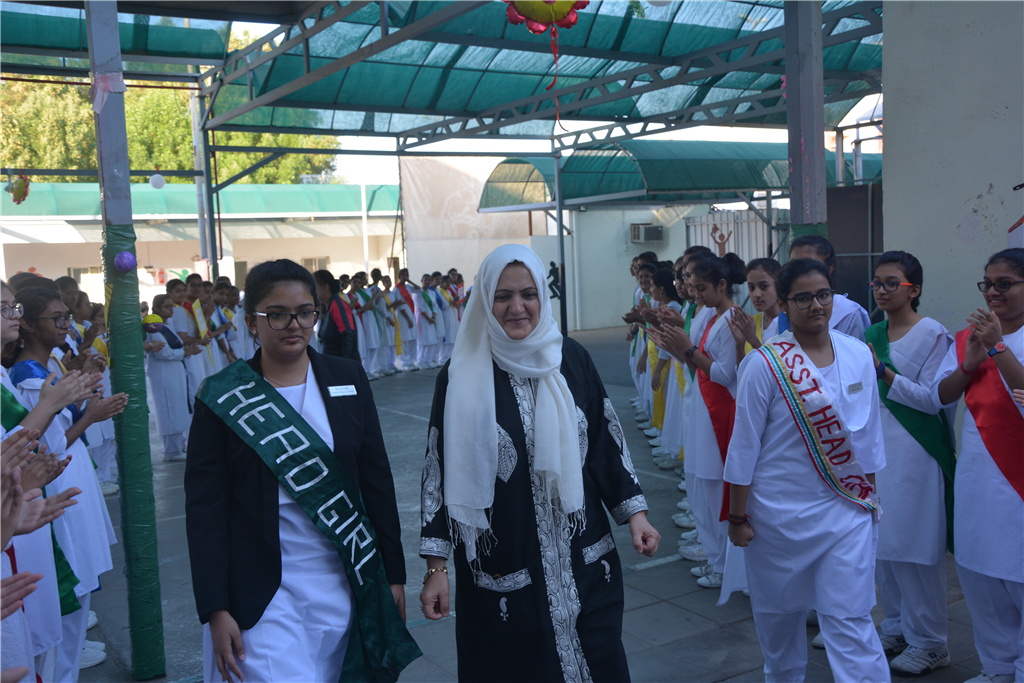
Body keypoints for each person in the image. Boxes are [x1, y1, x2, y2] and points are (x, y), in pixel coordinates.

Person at [418, 244, 660, 683]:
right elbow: (439, 471)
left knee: (598, 658)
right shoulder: (459, 375)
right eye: (503, 296)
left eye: (528, 294)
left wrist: (636, 515)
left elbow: (605, 441)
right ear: (484, 300)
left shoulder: (571, 358)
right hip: (505, 566)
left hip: (582, 555)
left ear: (542, 297)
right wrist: (436, 568)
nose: (517, 308)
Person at [185, 259, 420, 683]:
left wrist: (393, 575)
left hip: (347, 582)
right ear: (252, 322)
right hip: (264, 597)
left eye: (305, 312)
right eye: (277, 314)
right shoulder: (223, 397)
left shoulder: (347, 377)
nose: (294, 325)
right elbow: (206, 512)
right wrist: (215, 608)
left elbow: (376, 483)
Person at [724, 258, 889, 683]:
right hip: (778, 518)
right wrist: (738, 518)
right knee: (779, 625)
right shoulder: (764, 364)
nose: (816, 305)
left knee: (851, 620)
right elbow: (744, 448)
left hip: (846, 513)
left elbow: (869, 438)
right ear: (783, 303)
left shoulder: (857, 354)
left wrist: (870, 503)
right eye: (803, 298)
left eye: (823, 295)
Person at [6, 287, 126, 681]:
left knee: (77, 577)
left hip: (60, 479)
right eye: (56, 318)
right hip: (45, 485)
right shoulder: (26, 375)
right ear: (30, 325)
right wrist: (88, 415)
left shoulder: (34, 367)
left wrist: (83, 388)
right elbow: (44, 442)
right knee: (59, 591)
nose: (65, 325)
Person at [861, 251, 956, 676]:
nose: (881, 290)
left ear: (913, 289)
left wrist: (883, 372)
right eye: (877, 283)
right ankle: (897, 627)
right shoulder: (872, 332)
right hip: (878, 450)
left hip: (916, 450)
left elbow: (933, 399)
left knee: (916, 548)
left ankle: (931, 642)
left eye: (891, 283)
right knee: (885, 546)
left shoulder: (933, 334)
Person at [934, 248, 1023, 683]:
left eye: (1004, 284)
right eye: (987, 284)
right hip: (977, 476)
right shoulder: (967, 338)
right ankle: (997, 668)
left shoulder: (995, 338)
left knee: (1018, 575)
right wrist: (970, 363)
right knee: (980, 574)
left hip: (1017, 481)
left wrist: (998, 347)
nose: (992, 292)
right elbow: (941, 396)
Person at [145, 296, 200, 463]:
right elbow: (163, 353)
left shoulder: (167, 326)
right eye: (167, 306)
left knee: (178, 408)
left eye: (172, 306)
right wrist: (185, 352)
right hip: (164, 373)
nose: (171, 309)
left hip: (176, 372)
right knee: (169, 409)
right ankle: (170, 450)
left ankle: (179, 445)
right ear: (156, 308)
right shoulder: (154, 328)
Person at [788, 235, 871, 340]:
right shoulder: (786, 309)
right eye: (794, 264)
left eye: (809, 263)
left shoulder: (848, 313)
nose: (800, 271)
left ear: (829, 269)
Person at [728, 258, 782, 362]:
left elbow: (780, 369)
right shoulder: (751, 323)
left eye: (764, 286)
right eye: (751, 287)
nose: (756, 294)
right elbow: (742, 370)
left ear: (778, 285)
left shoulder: (790, 324)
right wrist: (740, 344)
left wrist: (753, 340)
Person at [313, 270, 359, 361]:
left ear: (325, 286)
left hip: (340, 362)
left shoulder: (337, 304)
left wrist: (343, 363)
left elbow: (348, 335)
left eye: (315, 286)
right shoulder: (327, 306)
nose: (312, 290)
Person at [393, 269, 419, 371]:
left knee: (413, 338)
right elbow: (400, 306)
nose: (405, 277)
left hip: (411, 314)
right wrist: (408, 319)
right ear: (399, 277)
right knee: (404, 339)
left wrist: (410, 281)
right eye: (403, 275)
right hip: (403, 316)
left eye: (406, 275)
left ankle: (411, 362)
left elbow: (420, 290)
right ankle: (405, 362)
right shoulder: (396, 289)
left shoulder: (408, 287)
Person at [415, 274, 440, 369]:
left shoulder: (432, 293)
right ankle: (421, 361)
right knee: (423, 340)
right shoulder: (419, 293)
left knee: (431, 340)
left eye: (429, 280)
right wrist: (429, 319)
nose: (427, 282)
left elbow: (435, 306)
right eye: (425, 280)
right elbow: (420, 307)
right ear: (422, 281)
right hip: (423, 319)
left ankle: (428, 360)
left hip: (431, 319)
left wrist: (433, 316)